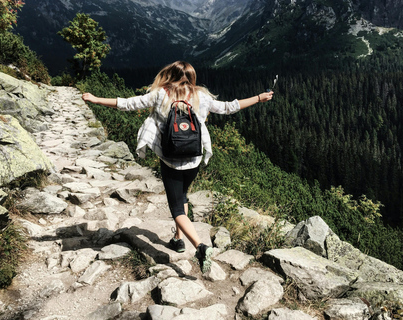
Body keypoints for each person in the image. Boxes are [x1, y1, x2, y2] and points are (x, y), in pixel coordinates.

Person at [82, 61, 274, 273]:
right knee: (182, 196)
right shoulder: (202, 96)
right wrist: (259, 98)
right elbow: (229, 107)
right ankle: (177, 239)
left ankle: (200, 247)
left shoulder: (160, 94)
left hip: (171, 160)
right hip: (194, 159)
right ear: (192, 77)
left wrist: (96, 99)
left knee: (176, 208)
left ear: (169, 75)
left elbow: (128, 103)